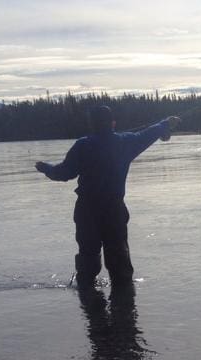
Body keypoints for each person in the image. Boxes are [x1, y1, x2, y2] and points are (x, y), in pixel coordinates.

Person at [35, 105, 180, 287]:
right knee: (119, 259)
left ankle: (88, 302)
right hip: (114, 210)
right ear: (113, 123)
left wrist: (44, 168)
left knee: (88, 258)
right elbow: (148, 135)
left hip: (87, 210)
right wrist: (166, 123)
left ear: (92, 125)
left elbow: (63, 173)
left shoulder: (83, 145)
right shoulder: (126, 142)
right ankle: (124, 303)